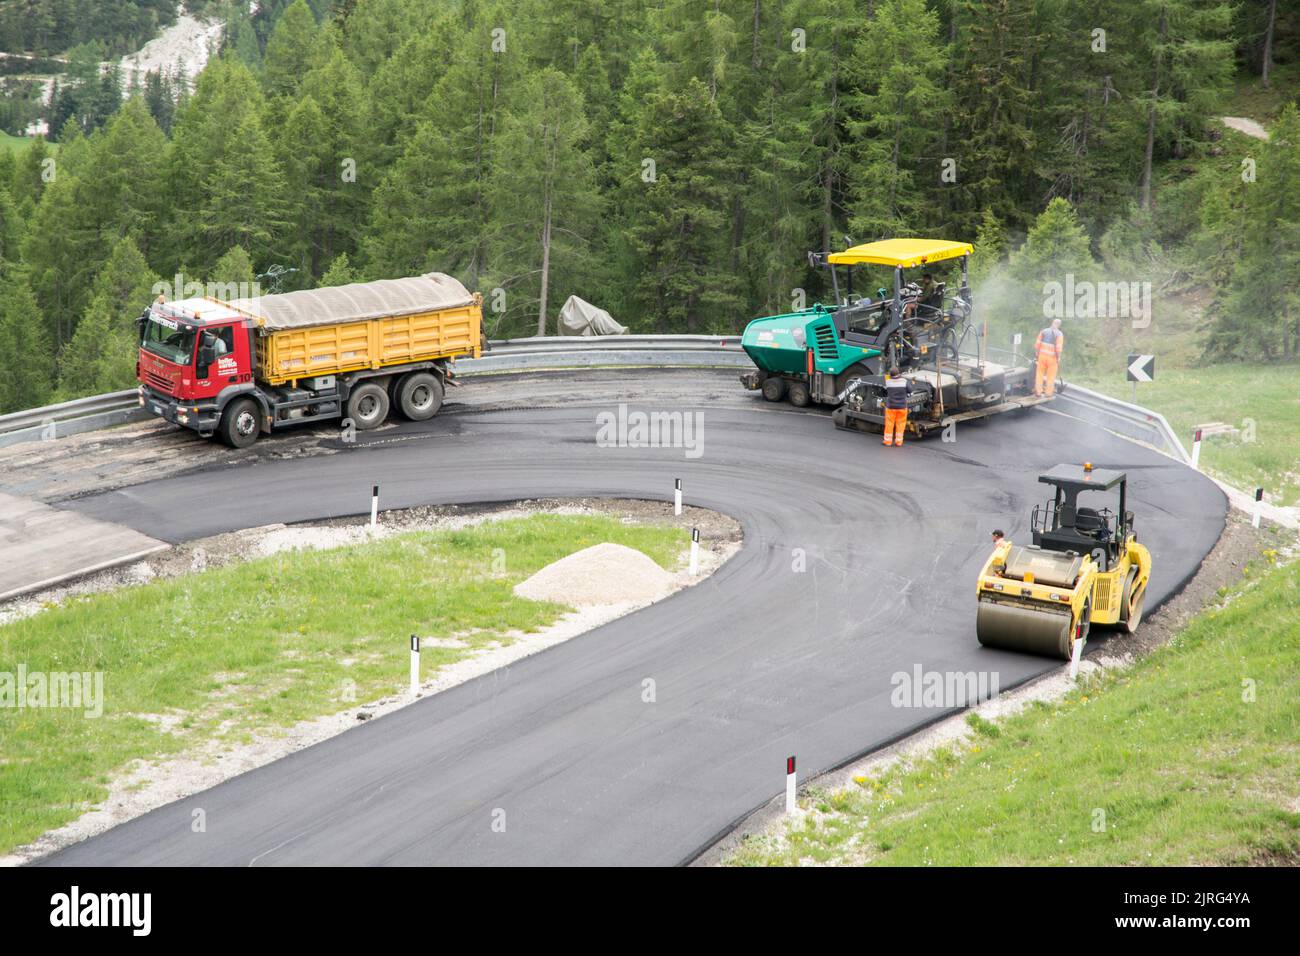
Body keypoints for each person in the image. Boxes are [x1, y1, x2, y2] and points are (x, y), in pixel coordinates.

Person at [1035, 318, 1064, 396]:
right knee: (1051, 376)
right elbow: (1058, 348)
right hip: (1052, 358)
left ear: (1052, 323)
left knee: (1039, 374)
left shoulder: (1044, 331)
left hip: (1042, 356)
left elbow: (1037, 344)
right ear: (1059, 325)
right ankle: (1048, 393)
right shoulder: (1059, 334)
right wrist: (1059, 358)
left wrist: (1037, 354)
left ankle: (1038, 392)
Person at [882, 366, 909, 447]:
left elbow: (884, 391)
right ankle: (899, 442)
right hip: (902, 407)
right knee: (900, 424)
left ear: (890, 375)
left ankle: (887, 441)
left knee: (889, 424)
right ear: (899, 373)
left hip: (891, 407)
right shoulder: (904, 381)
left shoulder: (888, 382)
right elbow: (910, 390)